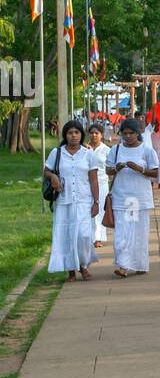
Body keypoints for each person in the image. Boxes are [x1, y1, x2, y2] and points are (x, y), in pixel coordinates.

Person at [44, 119, 100, 281]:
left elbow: (94, 180)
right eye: (70, 133)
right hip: (63, 201)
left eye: (77, 132)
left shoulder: (88, 154)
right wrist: (53, 176)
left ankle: (83, 265)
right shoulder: (57, 153)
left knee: (84, 235)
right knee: (66, 235)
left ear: (81, 135)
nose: (73, 136)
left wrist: (96, 202)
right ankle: (70, 271)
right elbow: (46, 171)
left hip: (84, 200)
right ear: (65, 135)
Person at [106, 117, 160, 277]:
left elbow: (156, 173)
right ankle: (123, 265)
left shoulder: (147, 150)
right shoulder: (115, 150)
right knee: (122, 233)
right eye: (125, 133)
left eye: (131, 133)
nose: (128, 136)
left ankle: (140, 263)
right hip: (121, 196)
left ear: (138, 133)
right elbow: (108, 170)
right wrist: (116, 168)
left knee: (139, 232)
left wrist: (140, 169)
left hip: (139, 198)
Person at [86, 121, 111, 247]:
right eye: (91, 133)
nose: (94, 135)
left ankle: (98, 238)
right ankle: (89, 236)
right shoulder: (85, 149)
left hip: (102, 183)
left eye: (96, 133)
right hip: (86, 184)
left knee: (100, 209)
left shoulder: (106, 150)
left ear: (101, 135)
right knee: (88, 209)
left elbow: (111, 168)